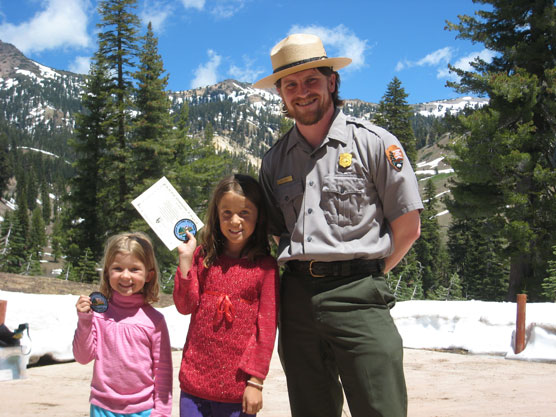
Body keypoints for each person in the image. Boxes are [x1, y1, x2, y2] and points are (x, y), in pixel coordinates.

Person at [253, 33, 424, 417]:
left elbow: (408, 226)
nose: (302, 91)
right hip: (295, 300)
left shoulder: (375, 144)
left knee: (381, 409)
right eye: (290, 84)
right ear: (280, 93)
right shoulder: (274, 162)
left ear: (332, 81)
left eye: (312, 79)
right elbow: (276, 233)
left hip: (359, 296)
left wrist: (371, 274)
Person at [173, 174, 279, 417]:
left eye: (245, 213)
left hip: (239, 391)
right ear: (216, 215)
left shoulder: (266, 267)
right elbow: (184, 305)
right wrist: (186, 260)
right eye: (227, 213)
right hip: (193, 385)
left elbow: (266, 331)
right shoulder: (203, 256)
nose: (235, 221)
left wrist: (256, 382)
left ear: (258, 217)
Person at [73, 232, 172, 417]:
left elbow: (163, 371)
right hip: (102, 407)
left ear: (149, 275)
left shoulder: (154, 321)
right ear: (107, 272)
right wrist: (84, 321)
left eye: (134, 269)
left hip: (142, 410)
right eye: (118, 268)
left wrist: (162, 412)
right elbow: (82, 357)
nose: (125, 276)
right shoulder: (98, 315)